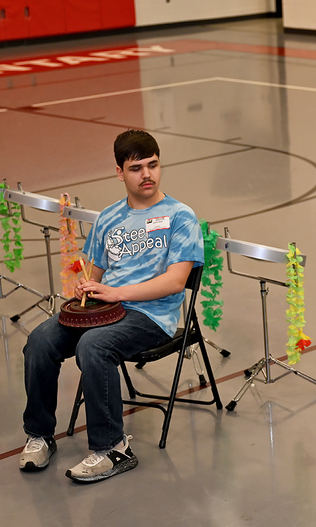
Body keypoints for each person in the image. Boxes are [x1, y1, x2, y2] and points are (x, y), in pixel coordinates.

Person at [20, 129, 204, 483]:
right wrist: (86, 286)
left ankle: (112, 449)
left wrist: (118, 293)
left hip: (151, 315)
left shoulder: (181, 217)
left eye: (153, 165)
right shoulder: (108, 218)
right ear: (120, 172)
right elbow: (93, 272)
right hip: (106, 309)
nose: (147, 174)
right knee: (40, 341)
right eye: (136, 168)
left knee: (95, 345)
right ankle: (39, 434)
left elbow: (175, 282)